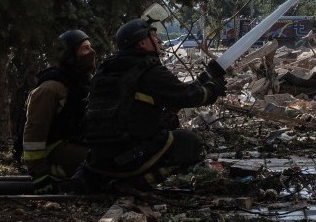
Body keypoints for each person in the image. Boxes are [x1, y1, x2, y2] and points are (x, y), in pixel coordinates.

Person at [77, 18, 226, 191]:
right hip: (128, 159)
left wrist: (203, 79)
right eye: (153, 36)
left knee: (166, 124)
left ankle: (97, 179)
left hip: (99, 159)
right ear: (142, 42)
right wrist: (213, 89)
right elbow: (187, 97)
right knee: (189, 142)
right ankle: (132, 184)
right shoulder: (148, 70)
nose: (158, 41)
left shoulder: (105, 71)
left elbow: (132, 113)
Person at [20, 29, 96, 190]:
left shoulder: (80, 84)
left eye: (90, 47)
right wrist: (39, 174)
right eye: (85, 48)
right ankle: (55, 171)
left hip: (72, 143)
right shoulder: (51, 88)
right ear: (70, 54)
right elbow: (34, 133)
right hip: (52, 152)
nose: (92, 52)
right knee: (101, 163)